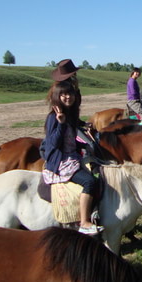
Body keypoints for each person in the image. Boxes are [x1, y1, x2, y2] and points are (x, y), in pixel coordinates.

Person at [41, 80, 102, 235]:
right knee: (89, 182)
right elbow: (52, 143)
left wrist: (84, 146)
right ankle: (84, 222)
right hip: (62, 162)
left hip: (73, 156)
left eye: (70, 93)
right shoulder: (53, 117)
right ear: (57, 96)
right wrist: (60, 123)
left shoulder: (69, 115)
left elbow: (70, 140)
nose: (68, 97)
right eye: (63, 94)